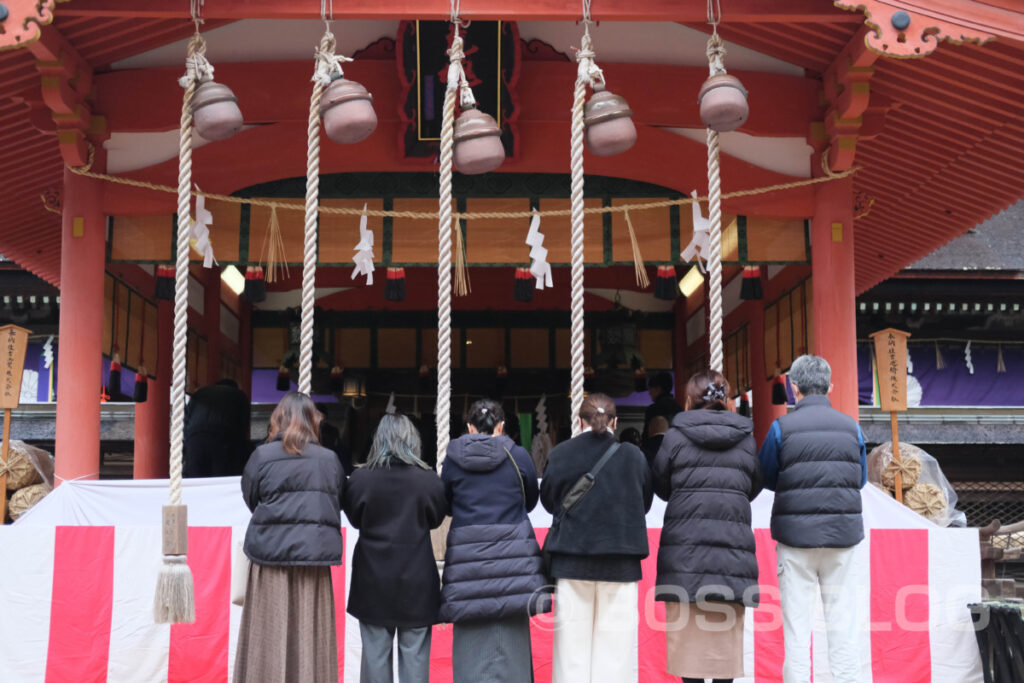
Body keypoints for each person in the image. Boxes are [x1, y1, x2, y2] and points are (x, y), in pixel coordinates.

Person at [757, 355, 868, 683]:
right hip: (843, 539)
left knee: (796, 630)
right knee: (843, 627)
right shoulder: (852, 428)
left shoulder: (781, 428)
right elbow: (859, 480)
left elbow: (766, 476)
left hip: (795, 541)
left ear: (794, 388)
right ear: (830, 386)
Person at [653, 371, 761, 683]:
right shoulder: (746, 439)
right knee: (724, 647)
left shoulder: (675, 437)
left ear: (688, 400)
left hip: (685, 555)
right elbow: (754, 485)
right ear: (726, 400)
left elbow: (660, 484)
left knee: (689, 651)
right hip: (732, 555)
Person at [540, 393, 654, 683]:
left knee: (571, 651)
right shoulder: (634, 456)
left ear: (579, 421)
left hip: (571, 561)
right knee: (616, 653)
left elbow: (549, 501)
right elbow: (645, 502)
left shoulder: (561, 453)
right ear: (615, 421)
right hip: (621, 562)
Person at [234, 392, 345, 683]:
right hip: (314, 559)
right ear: (313, 421)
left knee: (266, 634)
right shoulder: (329, 459)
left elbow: (251, 497)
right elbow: (337, 499)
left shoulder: (262, 455)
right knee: (311, 634)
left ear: (278, 419)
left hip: (269, 558)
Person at [440, 399, 550, 683]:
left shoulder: (452, 459)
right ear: (501, 426)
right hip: (513, 553)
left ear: (469, 426)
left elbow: (446, 503)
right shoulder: (518, 455)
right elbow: (530, 500)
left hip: (467, 557)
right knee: (511, 625)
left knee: (469, 627)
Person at [344, 414, 448, 683]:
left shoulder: (359, 478)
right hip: (417, 579)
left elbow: (355, 518)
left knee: (375, 656)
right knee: (415, 657)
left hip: (371, 578)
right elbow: (436, 520)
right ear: (412, 440)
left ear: (378, 439)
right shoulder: (429, 480)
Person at [184, 378, 253, 477]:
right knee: (221, 477)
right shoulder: (239, 395)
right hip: (224, 439)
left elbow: (186, 419)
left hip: (195, 439)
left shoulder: (199, 393)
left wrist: (187, 442)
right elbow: (243, 424)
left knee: (195, 478)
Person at [644, 371, 682, 438]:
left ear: (658, 389)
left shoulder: (653, 409)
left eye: (650, 389)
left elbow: (647, 437)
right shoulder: (679, 408)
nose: (649, 393)